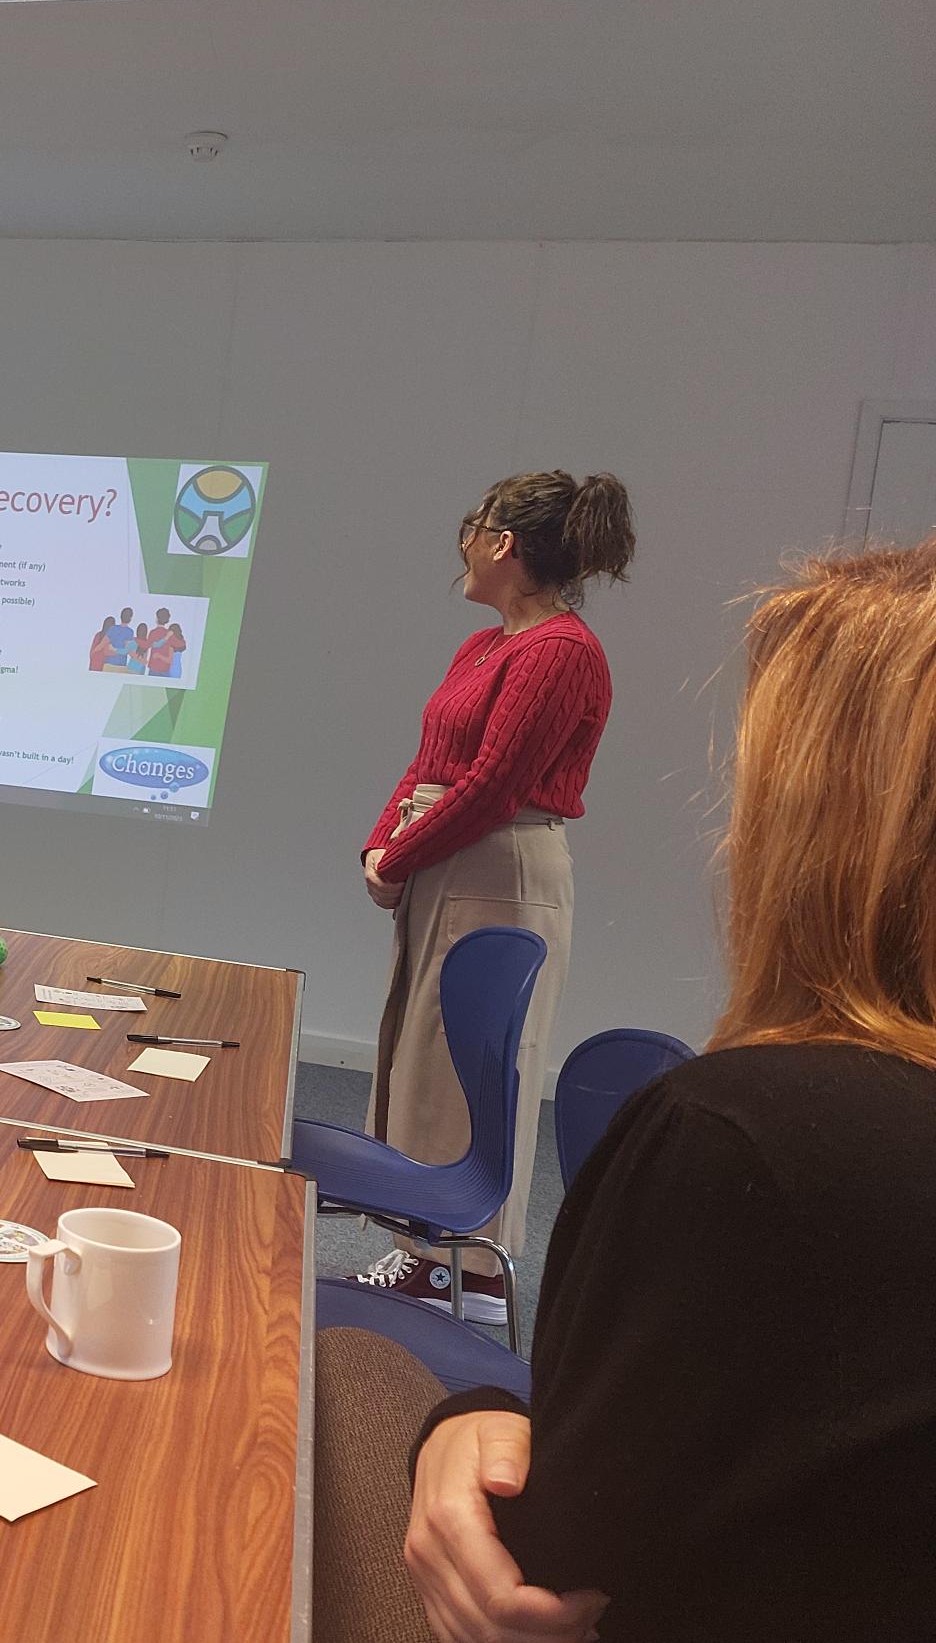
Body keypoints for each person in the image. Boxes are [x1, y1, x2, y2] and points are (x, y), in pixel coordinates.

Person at [392, 539, 936, 1642]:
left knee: (346, 1375)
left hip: (480, 865)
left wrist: (467, 1421)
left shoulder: (755, 1140)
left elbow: (547, 1569)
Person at [351, 472, 635, 1323]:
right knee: (419, 1056)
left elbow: (493, 787)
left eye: (472, 531)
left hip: (500, 873)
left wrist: (398, 859)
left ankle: (465, 1272)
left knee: (473, 1069)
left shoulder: (560, 652)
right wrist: (381, 846)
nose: (464, 548)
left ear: (503, 543)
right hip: (450, 862)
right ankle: (426, 1256)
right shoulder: (482, 648)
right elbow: (430, 762)